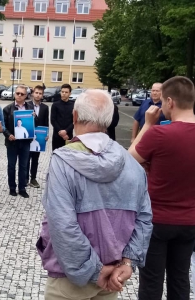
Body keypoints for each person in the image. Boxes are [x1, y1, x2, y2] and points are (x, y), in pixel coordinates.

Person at [38, 89, 153, 300]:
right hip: (113, 274)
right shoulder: (132, 163)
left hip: (71, 279)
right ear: (109, 120)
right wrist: (128, 262)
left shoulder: (63, 161)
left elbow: (62, 224)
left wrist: (94, 270)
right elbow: (144, 218)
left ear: (75, 116)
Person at [129, 76, 195, 300]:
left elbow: (129, 159)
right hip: (189, 221)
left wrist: (147, 124)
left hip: (157, 220)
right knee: (180, 279)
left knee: (151, 283)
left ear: (170, 102)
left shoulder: (159, 133)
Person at [3, 85, 36, 198]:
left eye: (22, 94)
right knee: (11, 166)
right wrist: (8, 135)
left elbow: (33, 124)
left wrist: (34, 117)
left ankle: (22, 188)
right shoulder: (7, 109)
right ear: (14, 94)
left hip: (25, 142)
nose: (19, 95)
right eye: (18, 93)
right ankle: (12, 188)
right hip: (12, 142)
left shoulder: (30, 108)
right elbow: (3, 126)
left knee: (23, 166)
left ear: (26, 96)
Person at [27, 85, 49, 188]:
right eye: (36, 93)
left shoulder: (45, 107)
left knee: (35, 159)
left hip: (39, 137)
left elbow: (45, 123)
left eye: (40, 93)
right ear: (32, 93)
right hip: (28, 136)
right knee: (26, 158)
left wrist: (46, 134)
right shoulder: (27, 105)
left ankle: (33, 178)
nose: (38, 95)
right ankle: (25, 178)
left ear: (42, 95)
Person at [51, 83, 74, 151]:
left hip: (68, 136)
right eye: (62, 92)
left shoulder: (73, 105)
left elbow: (75, 121)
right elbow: (53, 120)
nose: (64, 93)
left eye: (66, 92)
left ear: (70, 93)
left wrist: (66, 131)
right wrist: (61, 133)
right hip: (57, 136)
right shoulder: (55, 105)